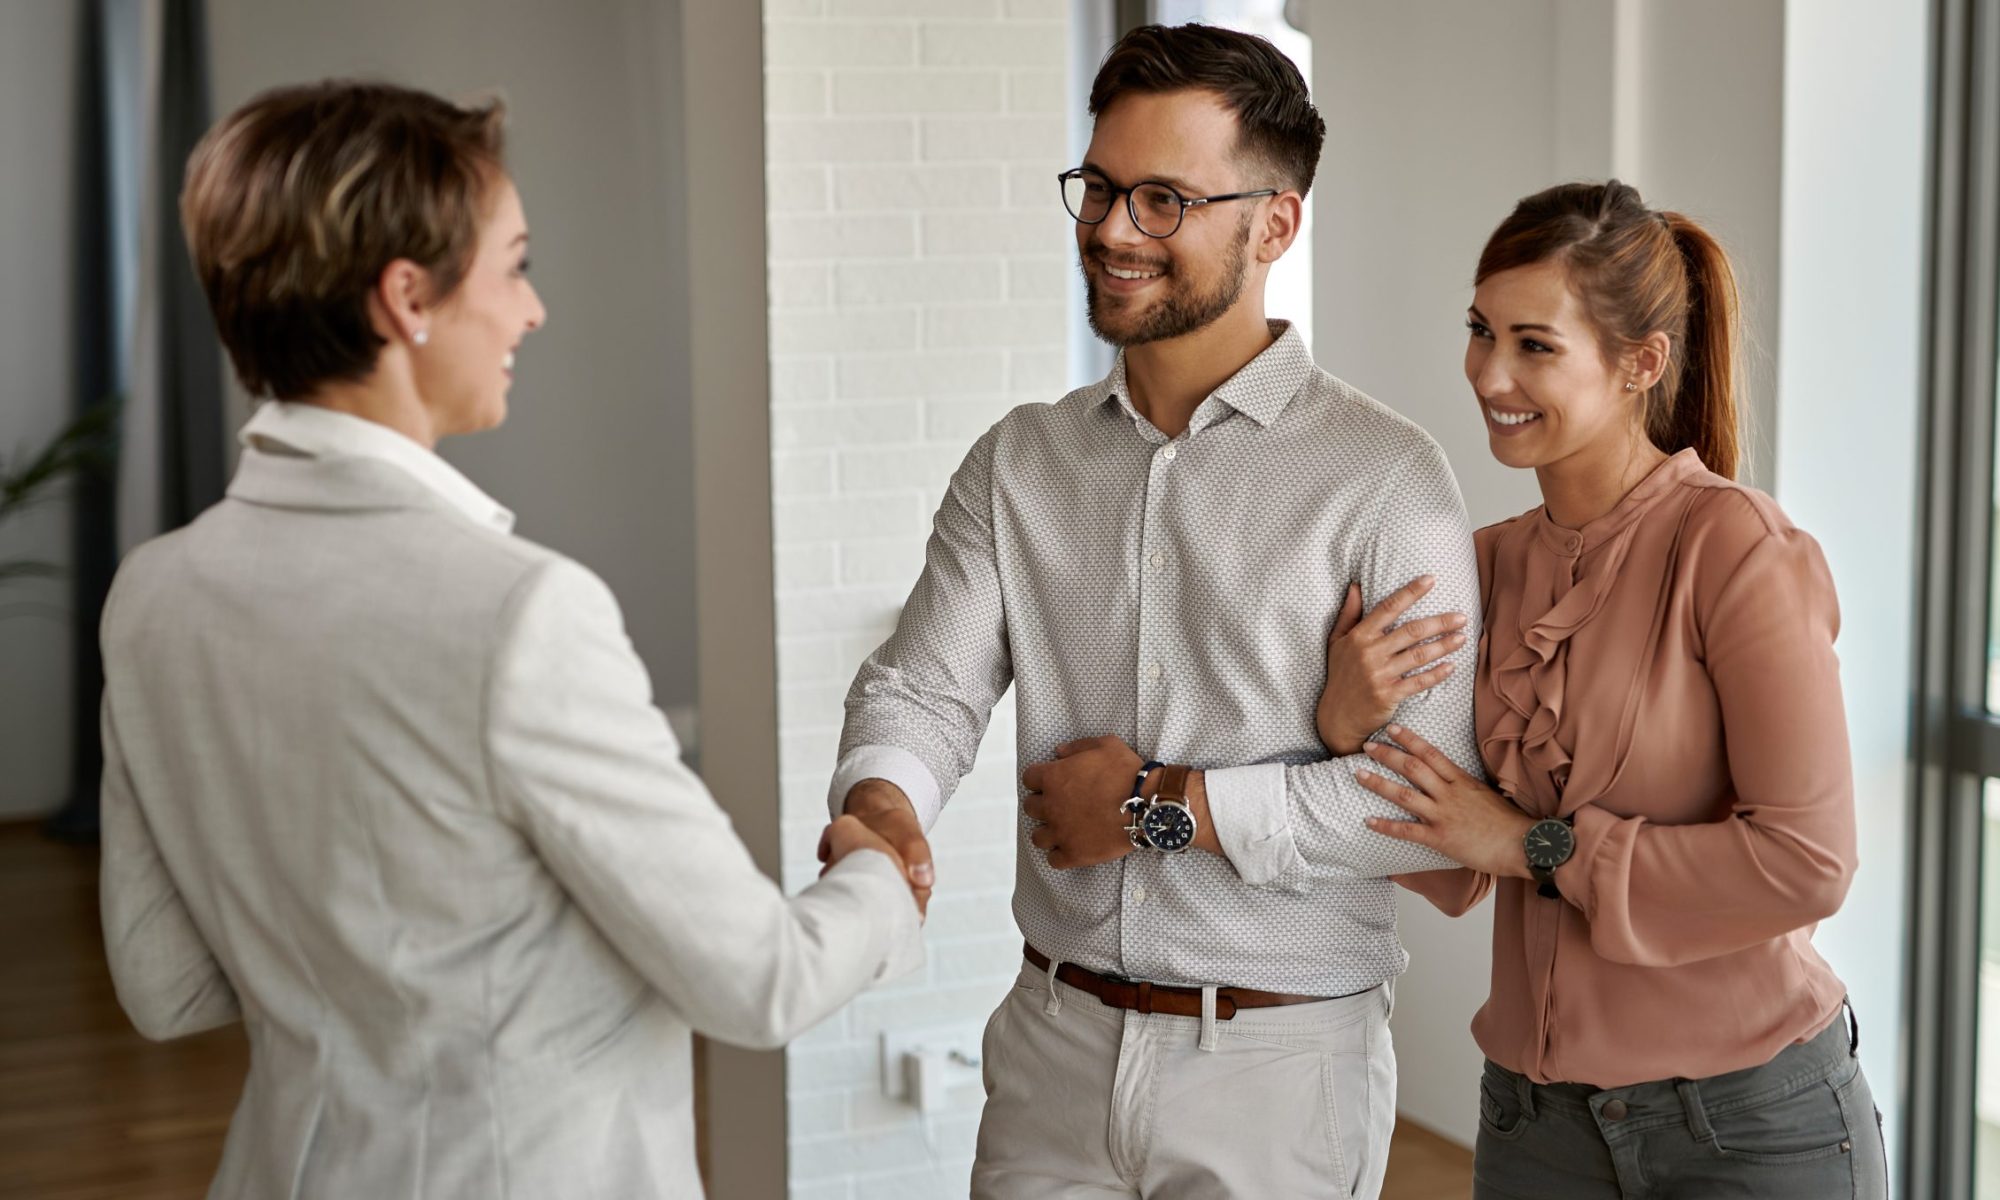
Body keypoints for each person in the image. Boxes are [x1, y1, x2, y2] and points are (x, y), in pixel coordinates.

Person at [97, 80, 921, 1200]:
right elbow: (759, 983)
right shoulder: (522, 615)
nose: (531, 311)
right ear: (405, 300)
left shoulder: (150, 595)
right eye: (515, 265)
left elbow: (164, 985)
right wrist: (881, 876)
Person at [819, 24, 1480, 1199]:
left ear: (1272, 224)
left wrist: (1149, 811)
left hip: (1277, 1067)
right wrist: (881, 802)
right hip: (1050, 1046)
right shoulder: (1017, 461)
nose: (1113, 230)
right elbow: (925, 685)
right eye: (1102, 187)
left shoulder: (1385, 478)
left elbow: (1420, 813)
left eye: (1164, 199)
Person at [1317, 179, 1887, 1198]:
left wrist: (1531, 844)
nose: (1488, 373)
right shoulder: (1476, 567)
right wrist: (1341, 725)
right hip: (1535, 1124)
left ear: (1640, 364)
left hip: (1747, 1127)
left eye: (1534, 344)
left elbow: (1808, 864)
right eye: (1479, 330)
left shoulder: (1735, 551)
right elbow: (1446, 861)